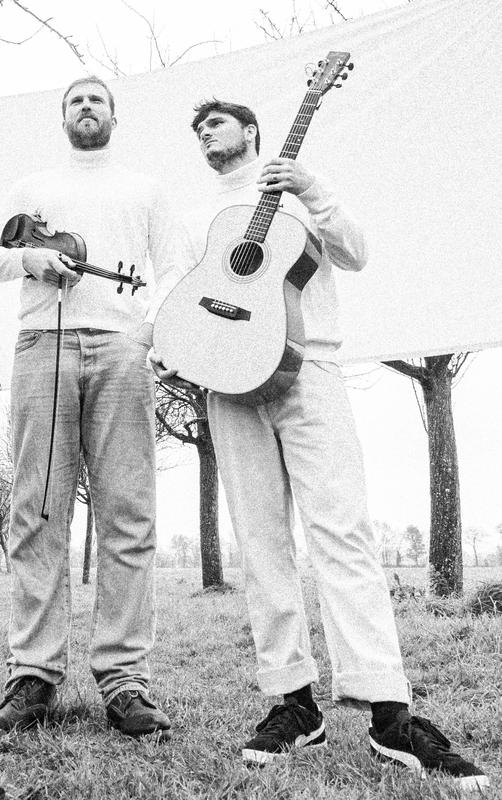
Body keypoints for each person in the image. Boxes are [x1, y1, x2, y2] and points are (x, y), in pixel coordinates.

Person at [149, 100, 489, 789]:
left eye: (218, 122)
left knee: (343, 533)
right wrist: (164, 342)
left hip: (311, 369)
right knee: (263, 540)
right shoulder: (193, 221)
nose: (205, 133)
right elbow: (173, 298)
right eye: (198, 128)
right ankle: (293, 704)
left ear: (251, 132)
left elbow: (357, 252)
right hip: (227, 381)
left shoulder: (301, 196)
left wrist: (312, 188)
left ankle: (389, 712)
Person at [0, 76, 185, 739]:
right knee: (35, 508)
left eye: (96, 100)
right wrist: (29, 259)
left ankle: (124, 677)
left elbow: (176, 267)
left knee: (127, 511)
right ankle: (34, 673)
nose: (85, 107)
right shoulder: (28, 189)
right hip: (40, 344)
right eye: (75, 100)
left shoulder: (143, 188)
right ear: (62, 117)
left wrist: (145, 331)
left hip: (120, 347)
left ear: (114, 115)